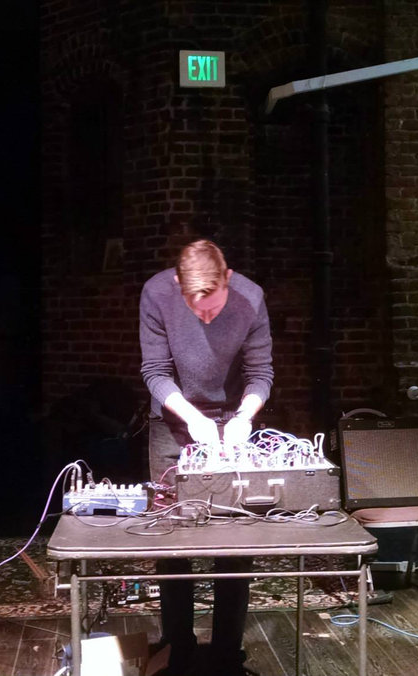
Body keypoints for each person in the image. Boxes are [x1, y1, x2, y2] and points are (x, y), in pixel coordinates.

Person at [139, 239, 274, 676]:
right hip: (173, 420)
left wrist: (244, 418)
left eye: (214, 310)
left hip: (231, 418)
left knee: (234, 538)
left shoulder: (251, 298)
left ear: (228, 279)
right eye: (197, 312)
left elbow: (260, 373)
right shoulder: (157, 293)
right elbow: (155, 372)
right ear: (178, 285)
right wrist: (194, 419)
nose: (206, 319)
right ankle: (178, 649)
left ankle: (226, 655)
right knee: (172, 538)